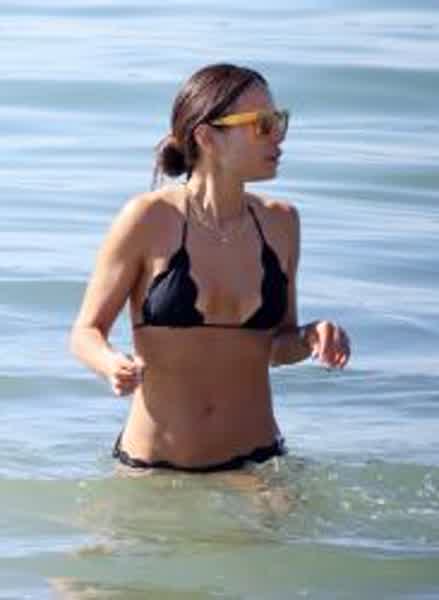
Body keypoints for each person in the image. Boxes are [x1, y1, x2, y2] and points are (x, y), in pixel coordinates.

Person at [70, 63, 351, 474]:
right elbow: (85, 332)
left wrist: (311, 336)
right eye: (262, 124)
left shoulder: (282, 223)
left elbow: (277, 347)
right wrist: (110, 363)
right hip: (154, 468)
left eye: (279, 121)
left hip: (258, 462)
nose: (278, 136)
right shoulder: (148, 219)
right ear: (206, 137)